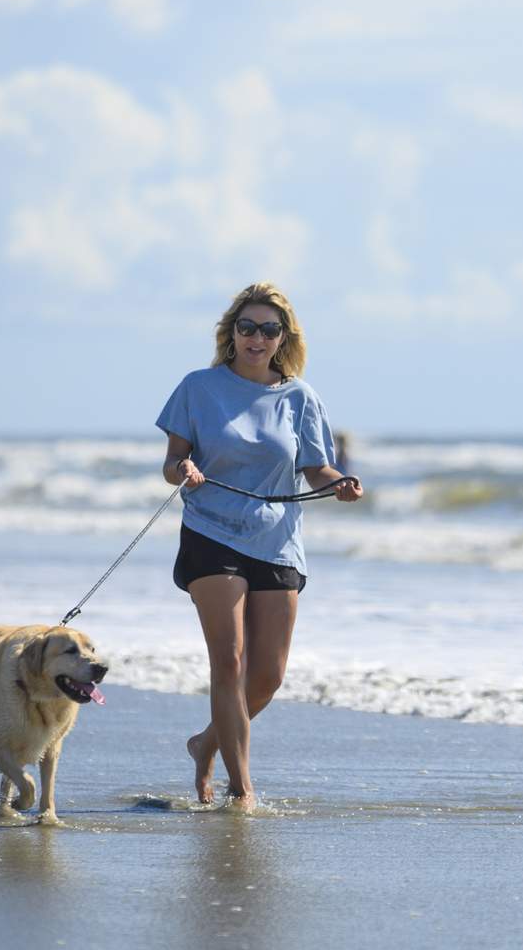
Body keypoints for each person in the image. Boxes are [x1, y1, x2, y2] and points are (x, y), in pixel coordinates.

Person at [156, 281, 362, 810]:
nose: (257, 338)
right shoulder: (198, 387)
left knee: (267, 676)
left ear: (282, 338)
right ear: (232, 333)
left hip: (278, 541)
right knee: (229, 662)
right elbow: (172, 462)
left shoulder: (300, 397)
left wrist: (340, 483)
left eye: (269, 330)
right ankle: (241, 788)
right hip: (211, 532)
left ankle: (206, 743)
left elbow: (317, 467)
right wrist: (184, 468)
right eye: (247, 327)